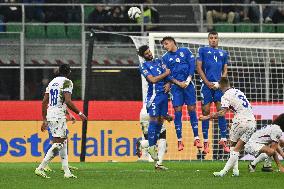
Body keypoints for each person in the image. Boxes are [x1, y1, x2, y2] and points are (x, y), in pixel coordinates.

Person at [35, 64, 87, 179]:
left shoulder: (52, 82)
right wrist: (79, 113)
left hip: (51, 114)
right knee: (58, 144)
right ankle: (40, 168)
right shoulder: (67, 82)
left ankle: (66, 171)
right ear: (68, 72)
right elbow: (67, 101)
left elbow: (44, 102)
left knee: (63, 142)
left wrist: (44, 119)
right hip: (58, 116)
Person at [200, 77, 256, 177]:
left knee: (233, 147)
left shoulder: (225, 96)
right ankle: (235, 171)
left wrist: (206, 117)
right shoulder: (238, 91)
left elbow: (222, 113)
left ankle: (223, 172)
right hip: (252, 122)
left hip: (240, 121)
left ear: (220, 86)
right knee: (236, 148)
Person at [161, 36, 202, 151]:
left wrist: (188, 80)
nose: (165, 46)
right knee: (178, 111)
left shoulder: (185, 51)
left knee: (192, 109)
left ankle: (196, 138)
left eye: (166, 43)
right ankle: (179, 140)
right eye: (163, 45)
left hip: (188, 85)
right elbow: (167, 74)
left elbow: (192, 65)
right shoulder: (164, 58)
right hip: (176, 87)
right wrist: (177, 82)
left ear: (173, 42)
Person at [196, 31, 230, 154]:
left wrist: (220, 83)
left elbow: (225, 69)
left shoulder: (224, 53)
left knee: (221, 111)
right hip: (206, 86)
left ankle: (224, 140)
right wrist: (207, 82)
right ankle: (205, 142)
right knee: (205, 111)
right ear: (208, 39)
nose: (213, 40)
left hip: (219, 86)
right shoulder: (202, 50)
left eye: (215, 38)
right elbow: (198, 68)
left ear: (218, 40)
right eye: (211, 38)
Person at [138, 45, 171, 161]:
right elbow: (152, 79)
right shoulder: (144, 66)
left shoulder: (159, 61)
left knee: (161, 121)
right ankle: (151, 147)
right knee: (154, 120)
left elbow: (168, 76)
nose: (149, 54)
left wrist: (168, 84)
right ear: (143, 56)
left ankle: (147, 144)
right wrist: (165, 74)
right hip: (154, 96)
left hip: (164, 95)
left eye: (149, 52)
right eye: (146, 54)